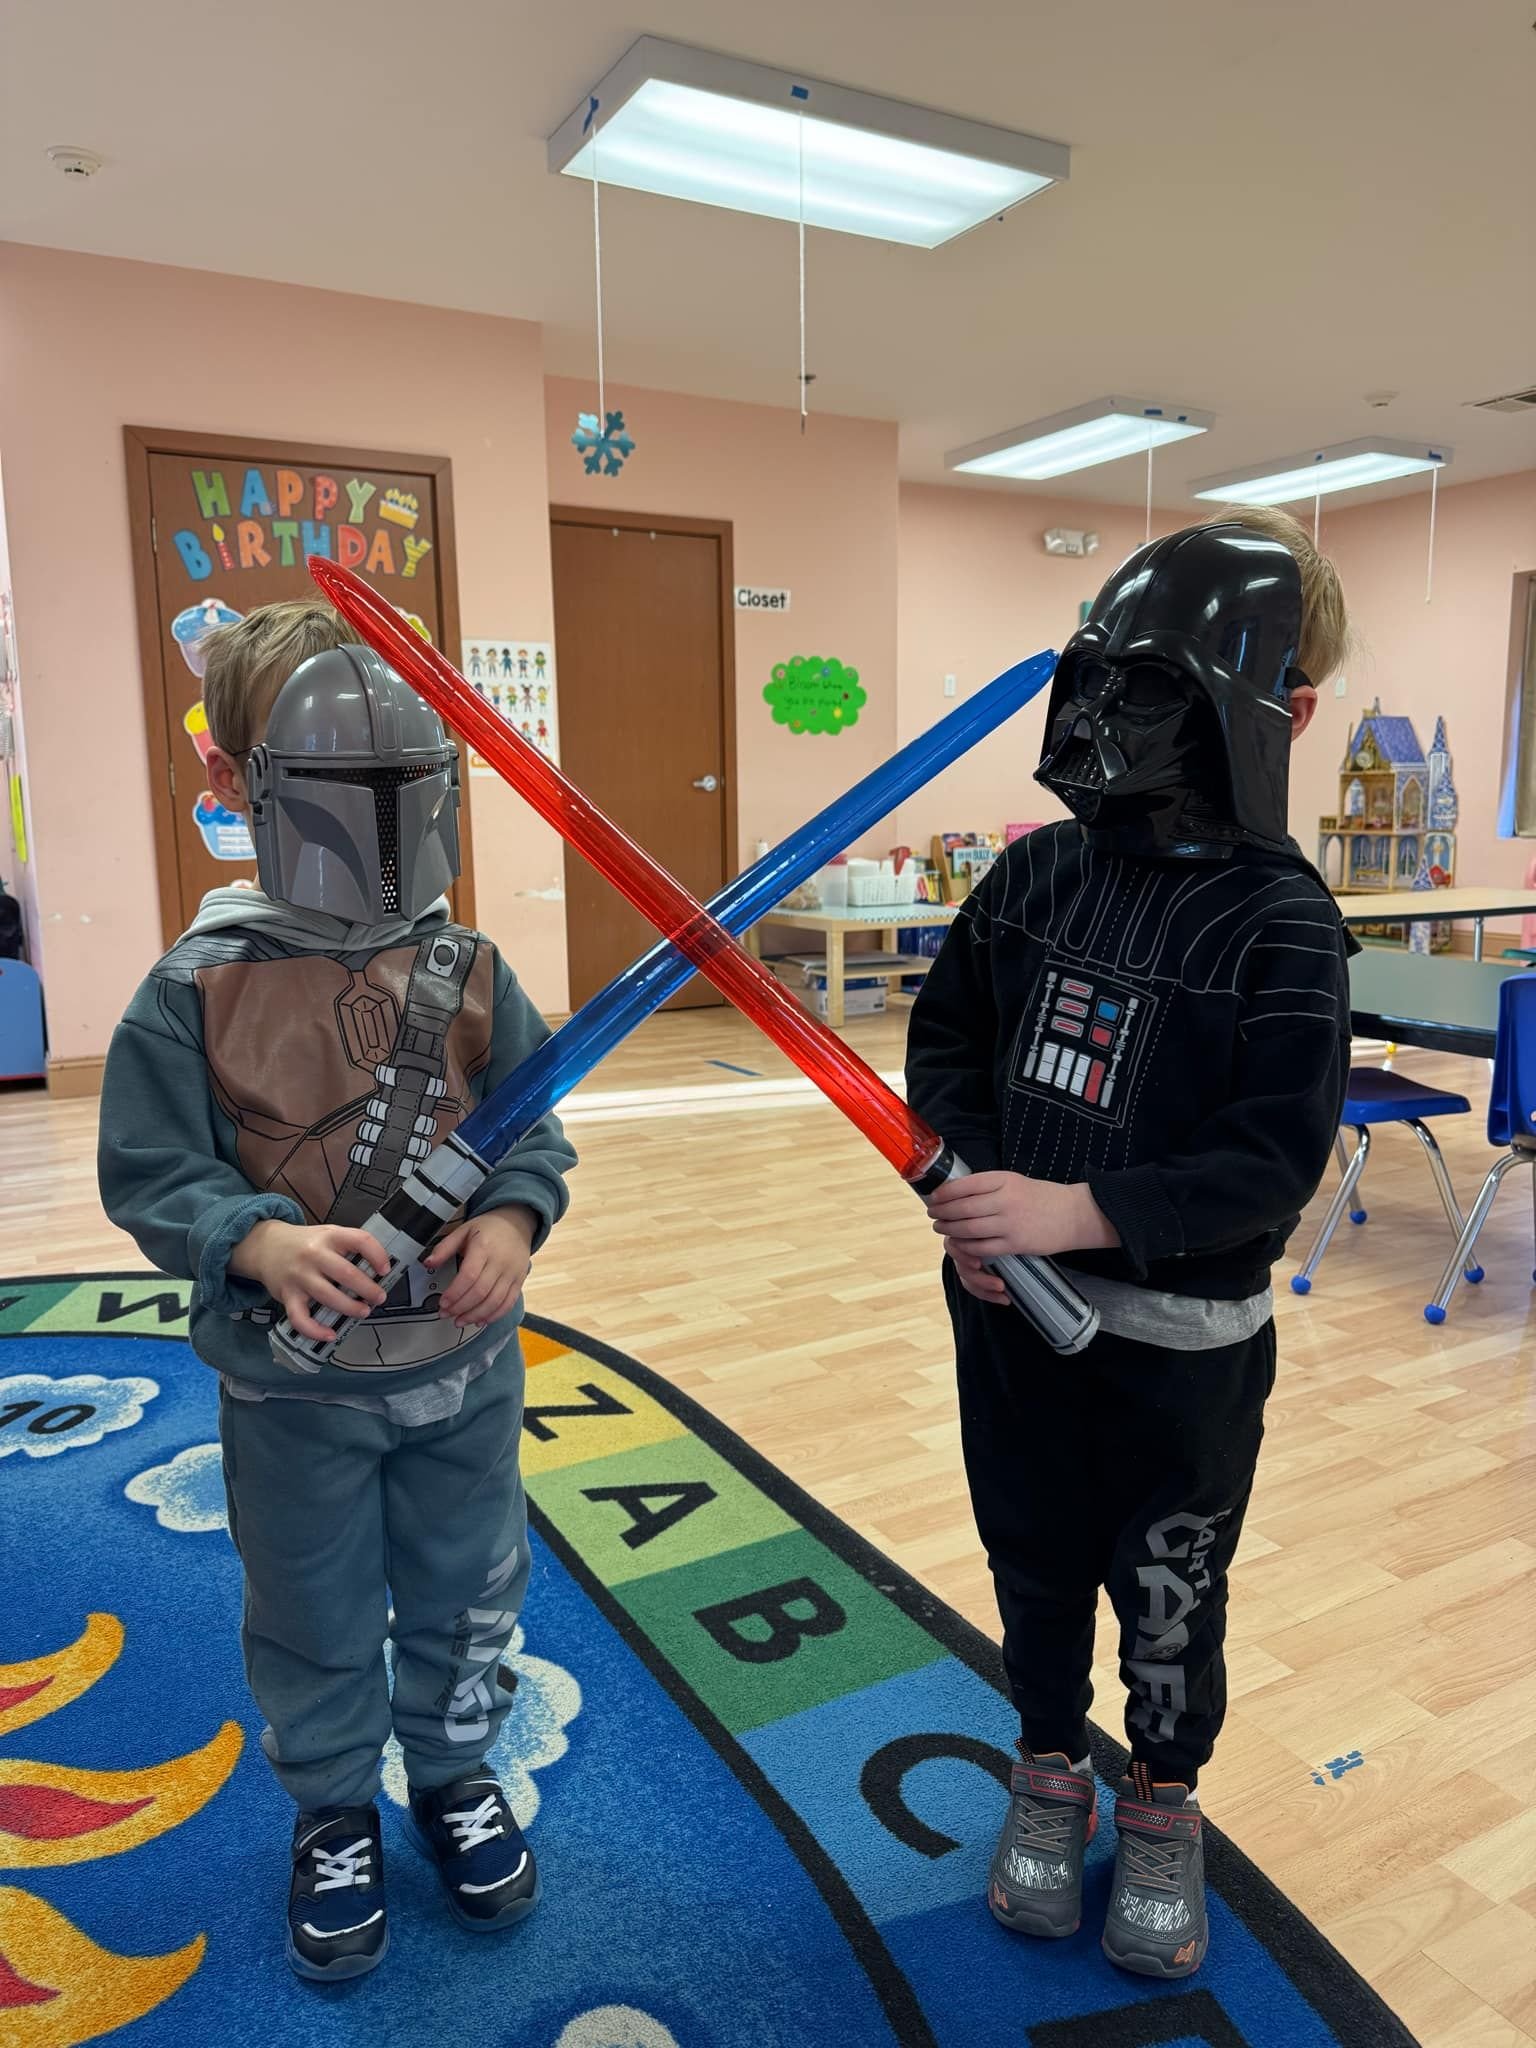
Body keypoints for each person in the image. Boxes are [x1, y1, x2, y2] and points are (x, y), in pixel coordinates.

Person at [99, 602, 576, 1982]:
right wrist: (258, 1243)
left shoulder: (468, 966)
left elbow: (531, 1127)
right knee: (310, 1605)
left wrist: (514, 1217)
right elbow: (153, 1172)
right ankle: (332, 1807)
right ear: (230, 779)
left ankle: (455, 1772)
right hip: (294, 1394)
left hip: (463, 1374)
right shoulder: (193, 990)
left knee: (470, 1584)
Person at [906, 506, 1352, 1979]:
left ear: (1280, 713)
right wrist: (971, 1191)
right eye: (1103, 682)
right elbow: (949, 1039)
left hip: (1181, 1359)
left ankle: (1162, 1799)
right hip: (1010, 1324)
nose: (1113, 719)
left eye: (1157, 690)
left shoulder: (1284, 924)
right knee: (1031, 1565)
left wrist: (1082, 1212)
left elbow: (1271, 1157)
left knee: (1167, 1593)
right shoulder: (1037, 875)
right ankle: (1049, 1768)